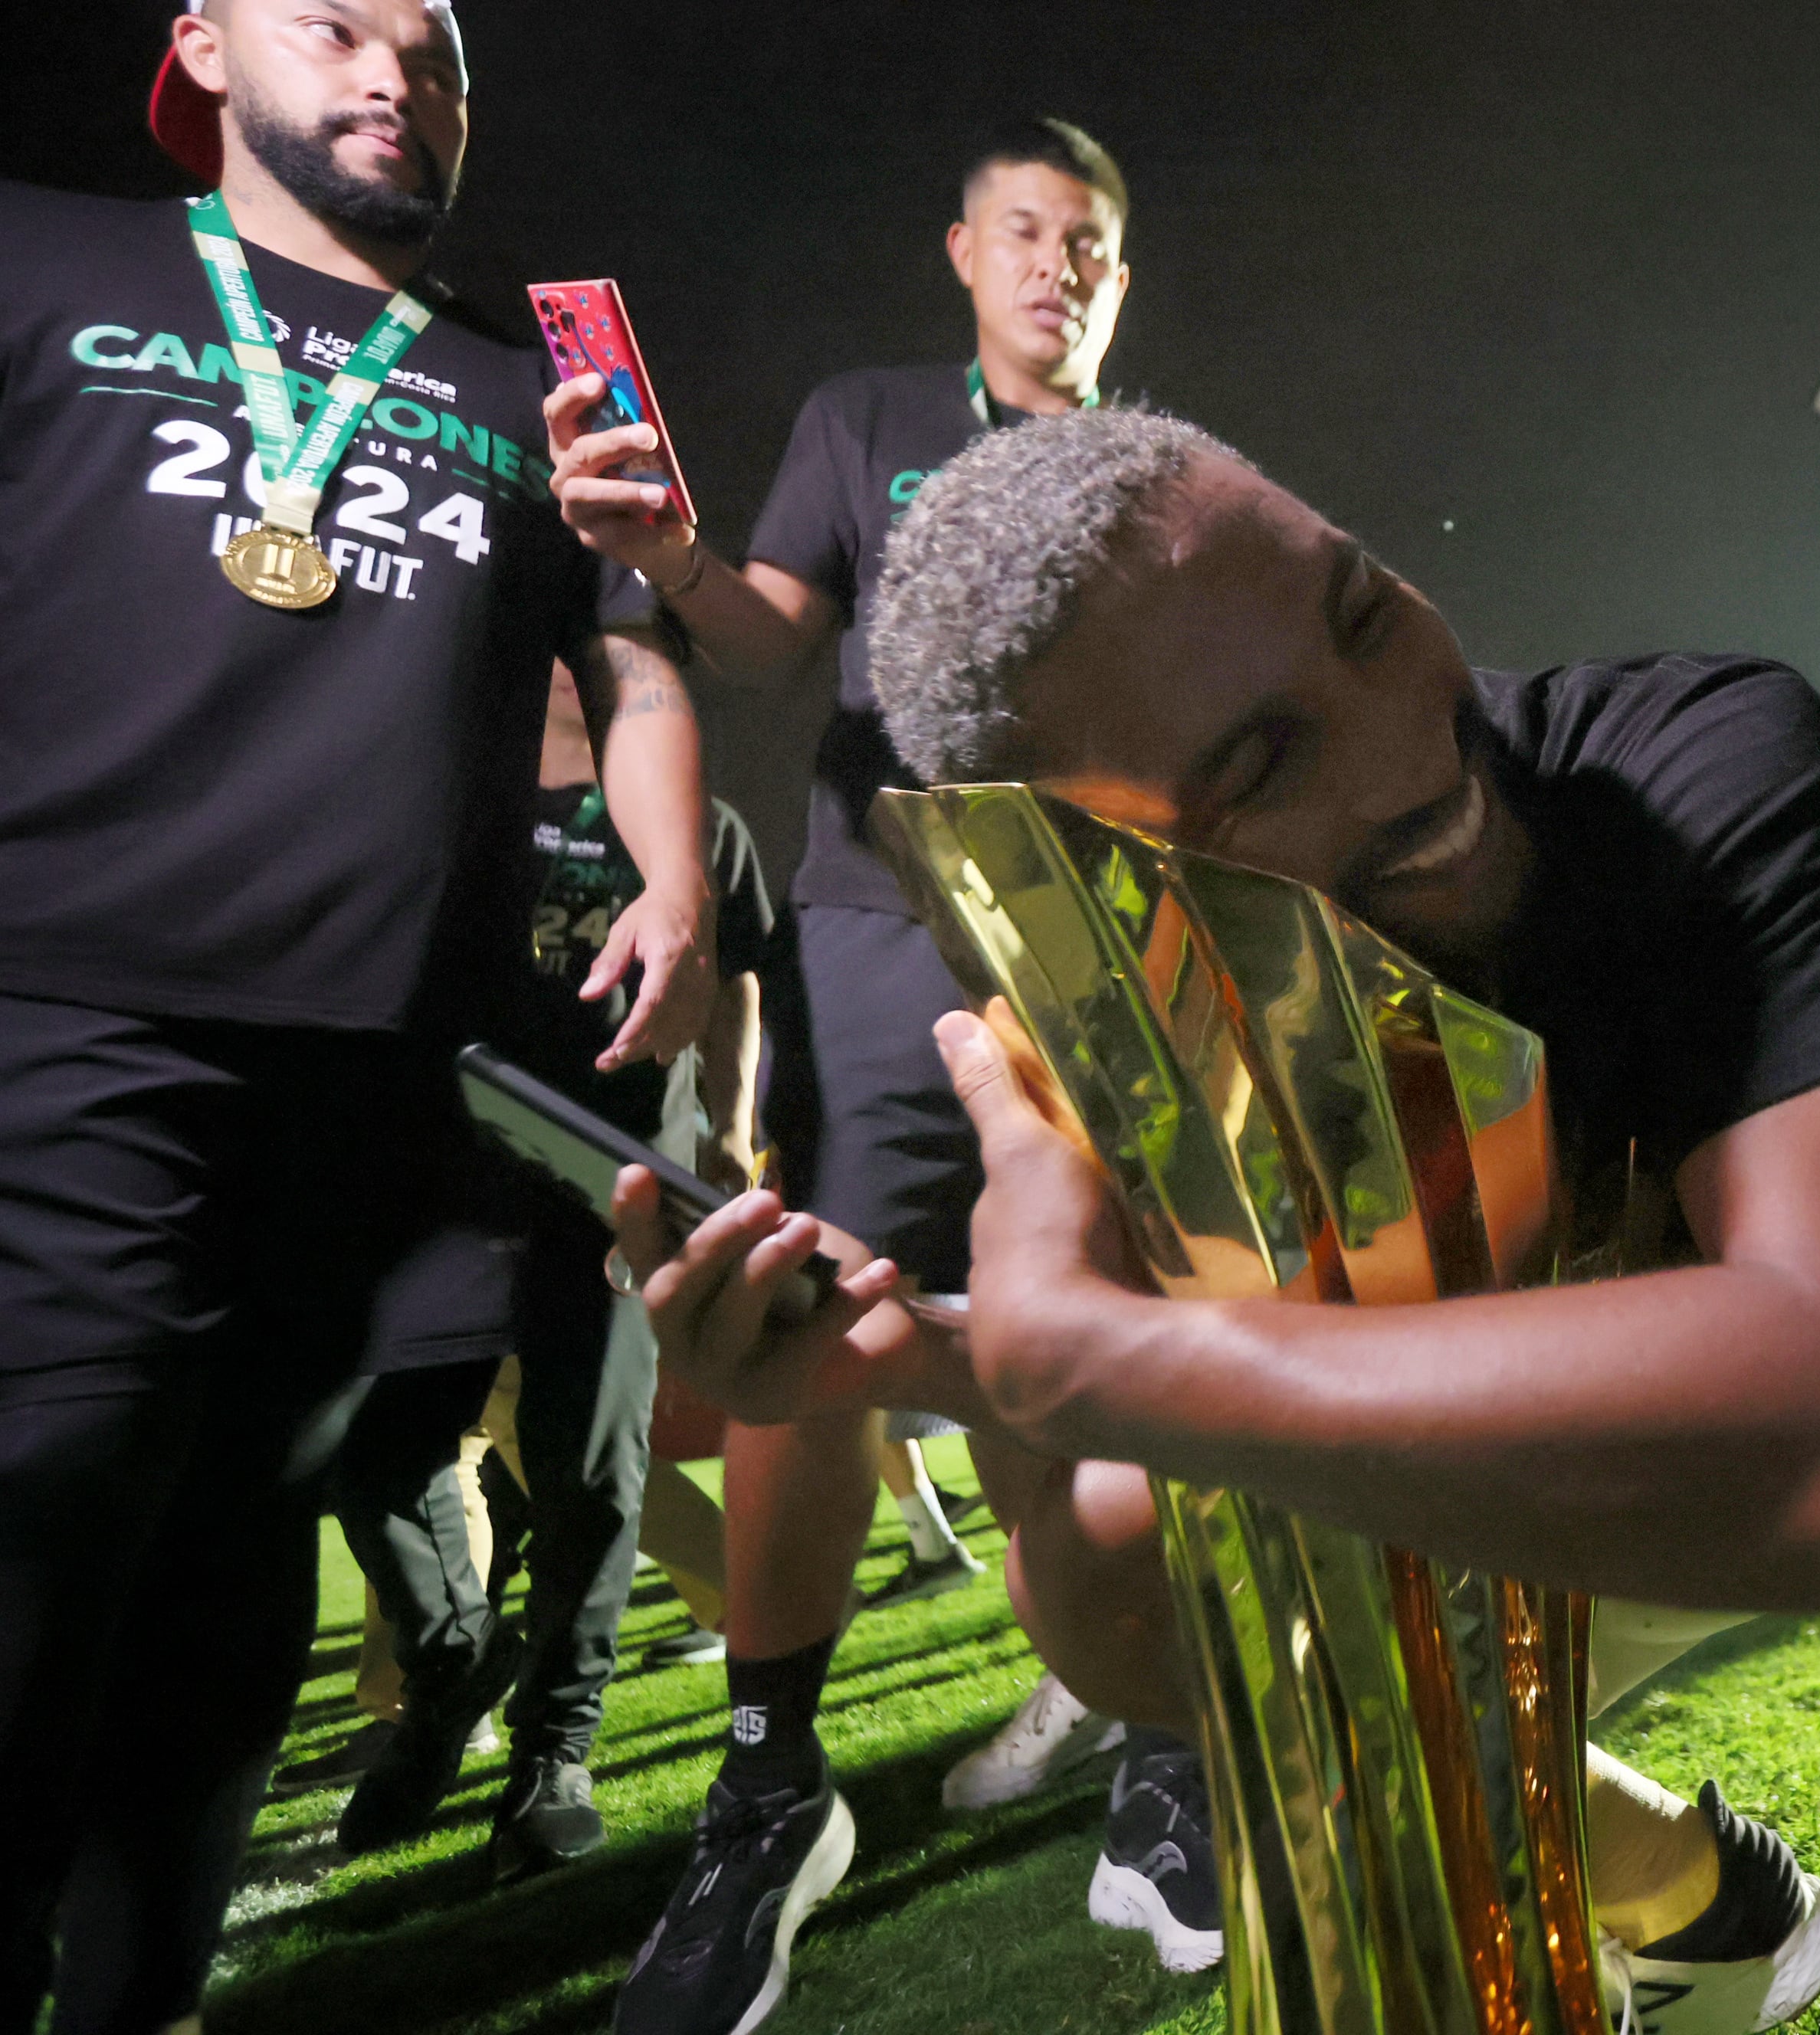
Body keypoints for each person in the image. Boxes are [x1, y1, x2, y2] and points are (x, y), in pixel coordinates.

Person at [620, 408, 1820, 2035]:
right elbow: (1108, 1535)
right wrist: (925, 1356)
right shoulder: (1095, 998)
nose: (1411, 748)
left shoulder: (1686, 758)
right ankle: (1686, 1889)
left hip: (1760, 1439)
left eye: (1361, 612)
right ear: (1100, 864)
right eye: (1260, 765)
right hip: (1497, 1503)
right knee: (1115, 1552)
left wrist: (1112, 1360)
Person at [0, 3, 713, 2025]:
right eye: (336, 22)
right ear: (206, 44)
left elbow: (639, 652)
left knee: (230, 1590)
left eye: (439, 52)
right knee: (49, 1534)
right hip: (67, 1018)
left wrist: (672, 877)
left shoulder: (530, 380)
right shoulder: (41, 255)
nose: (399, 72)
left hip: (379, 1076)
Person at [544, 118, 1155, 2031]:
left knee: (1102, 1322)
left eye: (1093, 242)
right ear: (963, 250)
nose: (1060, 264)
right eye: (1027, 230)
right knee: (812, 1322)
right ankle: (768, 1781)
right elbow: (763, 639)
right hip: (882, 940)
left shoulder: (1161, 469)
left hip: (1093, 945)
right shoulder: (869, 415)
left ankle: (1146, 1709)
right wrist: (675, 556)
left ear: (1122, 277)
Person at [320, 662, 774, 1876]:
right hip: (449, 1177)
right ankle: (452, 1663)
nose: (580, 664)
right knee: (373, 1444)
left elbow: (736, 977)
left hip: (617, 1191)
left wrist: (731, 1127)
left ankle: (553, 1754)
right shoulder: (443, 796)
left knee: (591, 1478)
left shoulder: (699, 827)